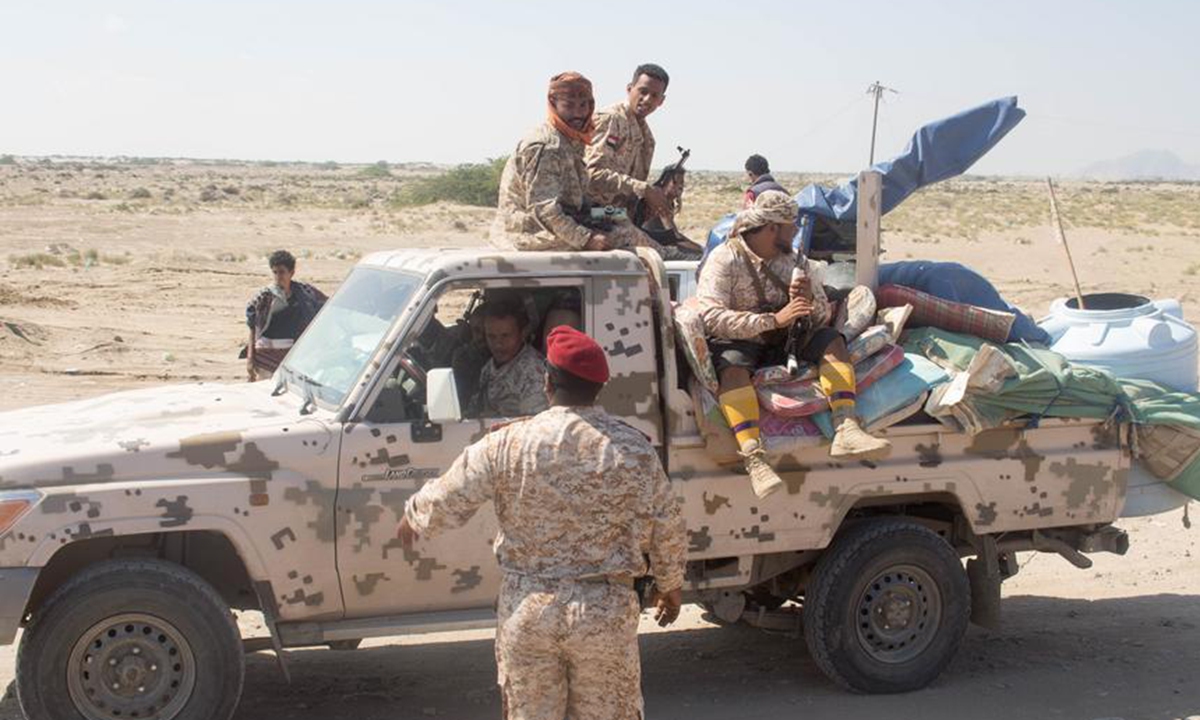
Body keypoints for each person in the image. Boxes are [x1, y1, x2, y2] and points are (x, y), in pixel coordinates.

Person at [398, 326, 687, 720]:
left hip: (529, 608)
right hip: (603, 611)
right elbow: (667, 523)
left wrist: (415, 517)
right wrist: (670, 585)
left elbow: (453, 493)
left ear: (546, 380)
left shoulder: (508, 443)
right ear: (600, 388)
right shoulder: (634, 449)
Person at [696, 191, 891, 497]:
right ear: (773, 227)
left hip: (785, 339)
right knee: (731, 366)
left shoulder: (796, 261)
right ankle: (754, 458)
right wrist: (773, 320)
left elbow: (821, 316)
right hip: (743, 340)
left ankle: (846, 427)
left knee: (831, 341)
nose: (797, 231)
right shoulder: (725, 259)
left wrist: (809, 300)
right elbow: (710, 317)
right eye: (792, 226)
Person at [488, 71, 687, 260]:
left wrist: (636, 205)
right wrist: (587, 239)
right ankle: (667, 258)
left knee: (618, 217)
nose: (578, 113)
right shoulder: (545, 145)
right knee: (622, 234)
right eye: (569, 105)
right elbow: (545, 210)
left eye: (583, 106)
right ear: (553, 104)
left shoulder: (572, 140)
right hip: (530, 230)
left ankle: (667, 251)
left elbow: (579, 199)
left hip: (575, 213)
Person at [243, 250, 326, 381]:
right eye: (274, 272)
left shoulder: (305, 294)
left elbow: (327, 307)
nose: (278, 276)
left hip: (293, 357)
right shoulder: (264, 297)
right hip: (266, 357)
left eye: (281, 272)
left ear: (291, 273)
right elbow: (252, 328)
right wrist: (250, 359)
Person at [469, 295, 549, 418]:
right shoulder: (489, 367)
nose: (498, 343)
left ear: (522, 333)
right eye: (491, 336)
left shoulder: (533, 373)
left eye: (505, 336)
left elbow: (534, 425)